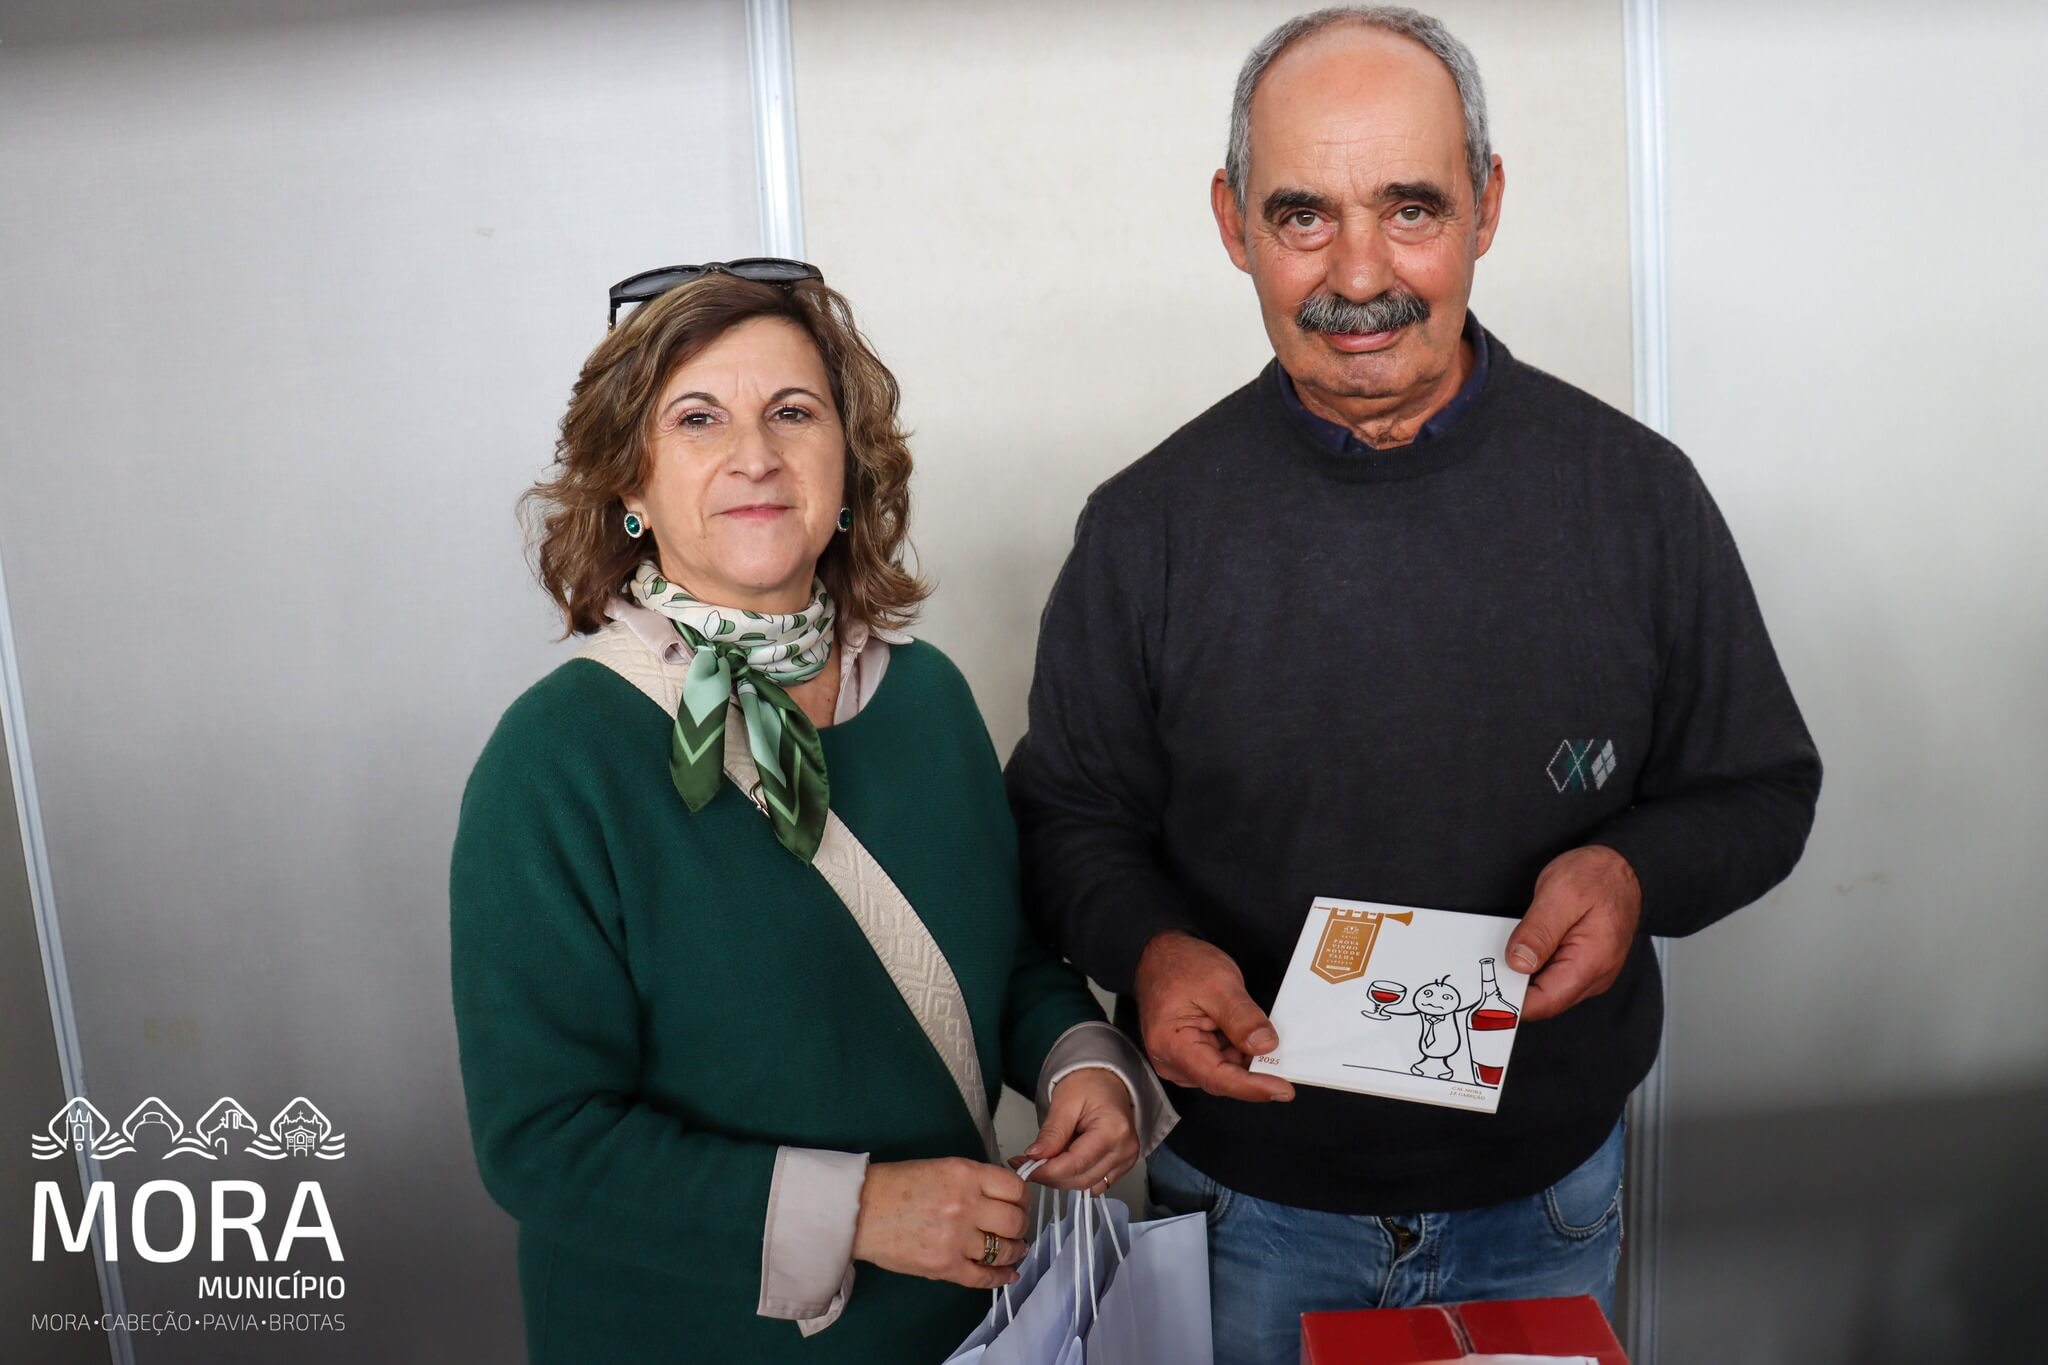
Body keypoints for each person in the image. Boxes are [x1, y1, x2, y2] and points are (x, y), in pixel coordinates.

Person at [1004, 8, 1822, 1362]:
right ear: (1231, 222)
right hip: (1244, 1201)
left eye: (1410, 207)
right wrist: (1146, 947)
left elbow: (1761, 788)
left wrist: (1635, 874)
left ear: (1486, 204)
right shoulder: (1144, 530)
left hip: (1545, 1197)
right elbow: (1063, 820)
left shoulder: (1635, 498)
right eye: (1302, 215)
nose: (1359, 272)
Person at [450, 261, 1169, 1364]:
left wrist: (1083, 1060)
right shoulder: (555, 757)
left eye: (793, 411)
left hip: (967, 1327)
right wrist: (860, 1211)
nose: (755, 454)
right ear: (629, 481)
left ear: (848, 465)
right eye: (697, 418)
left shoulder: (926, 698)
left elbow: (1006, 954)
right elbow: (543, 1142)